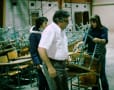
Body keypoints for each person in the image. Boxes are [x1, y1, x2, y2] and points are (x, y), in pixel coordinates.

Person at [38, 10, 70, 90]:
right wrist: (50, 67)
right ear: (59, 20)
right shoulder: (51, 30)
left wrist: (66, 56)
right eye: (66, 21)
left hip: (61, 65)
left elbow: (60, 46)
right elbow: (41, 49)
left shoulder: (61, 31)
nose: (68, 23)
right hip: (54, 64)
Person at [83, 15, 109, 90]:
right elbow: (85, 40)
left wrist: (99, 40)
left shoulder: (103, 29)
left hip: (100, 53)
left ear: (98, 22)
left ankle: (105, 88)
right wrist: (82, 43)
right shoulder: (89, 30)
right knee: (93, 73)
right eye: (91, 22)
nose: (93, 24)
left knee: (101, 73)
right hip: (91, 53)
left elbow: (105, 40)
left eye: (94, 22)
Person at [29, 17, 49, 90]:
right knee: (42, 81)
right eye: (45, 23)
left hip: (46, 60)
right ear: (40, 24)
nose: (47, 24)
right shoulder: (33, 35)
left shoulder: (43, 32)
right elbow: (33, 51)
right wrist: (37, 63)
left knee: (48, 81)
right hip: (40, 62)